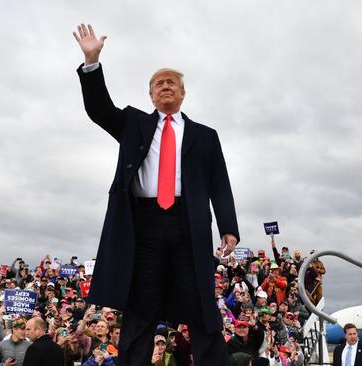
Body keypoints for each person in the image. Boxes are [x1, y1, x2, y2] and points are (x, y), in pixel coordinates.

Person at [73, 23, 240, 366]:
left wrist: (229, 226)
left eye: (172, 83)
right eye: (159, 83)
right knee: (141, 303)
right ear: (151, 95)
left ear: (182, 93)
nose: (165, 86)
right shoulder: (135, 123)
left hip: (187, 223)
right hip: (143, 224)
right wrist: (92, 62)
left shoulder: (205, 136)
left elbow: (219, 183)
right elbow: (99, 110)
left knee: (201, 303)